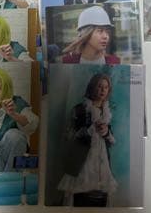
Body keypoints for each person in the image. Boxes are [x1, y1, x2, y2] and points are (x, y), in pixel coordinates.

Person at [57, 73, 117, 207]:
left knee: (100, 196)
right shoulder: (80, 109)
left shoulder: (107, 112)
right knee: (79, 194)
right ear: (92, 87)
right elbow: (69, 136)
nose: (102, 90)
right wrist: (89, 130)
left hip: (102, 159)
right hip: (83, 160)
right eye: (99, 86)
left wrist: (106, 132)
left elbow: (111, 140)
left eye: (106, 87)